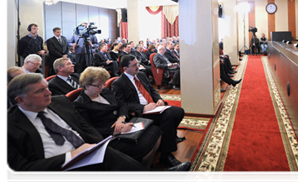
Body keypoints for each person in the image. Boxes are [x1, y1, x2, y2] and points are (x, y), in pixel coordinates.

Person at [5, 73, 191, 182]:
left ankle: (157, 175)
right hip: (56, 168)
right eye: (40, 91)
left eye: (47, 87)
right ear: (19, 100)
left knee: (110, 159)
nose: (49, 92)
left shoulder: (59, 102)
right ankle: (160, 177)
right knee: (111, 160)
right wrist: (71, 155)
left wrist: (102, 143)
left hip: (85, 150)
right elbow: (18, 173)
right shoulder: (8, 126)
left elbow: (84, 127)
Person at [74, 67, 162, 167]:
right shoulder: (80, 104)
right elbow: (89, 129)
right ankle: (140, 170)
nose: (102, 87)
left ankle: (146, 167)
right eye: (98, 85)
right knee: (143, 147)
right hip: (108, 136)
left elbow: (122, 105)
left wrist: (121, 117)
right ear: (86, 86)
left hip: (124, 125)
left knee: (155, 129)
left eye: (103, 84)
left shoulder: (105, 92)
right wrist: (116, 131)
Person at [112, 55, 186, 167]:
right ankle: (166, 155)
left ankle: (167, 138)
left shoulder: (141, 75)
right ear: (125, 69)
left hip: (154, 106)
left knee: (179, 112)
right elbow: (123, 104)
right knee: (168, 115)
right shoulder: (118, 83)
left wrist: (159, 99)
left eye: (137, 63)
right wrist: (143, 108)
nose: (138, 66)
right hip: (140, 112)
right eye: (134, 65)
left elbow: (152, 90)